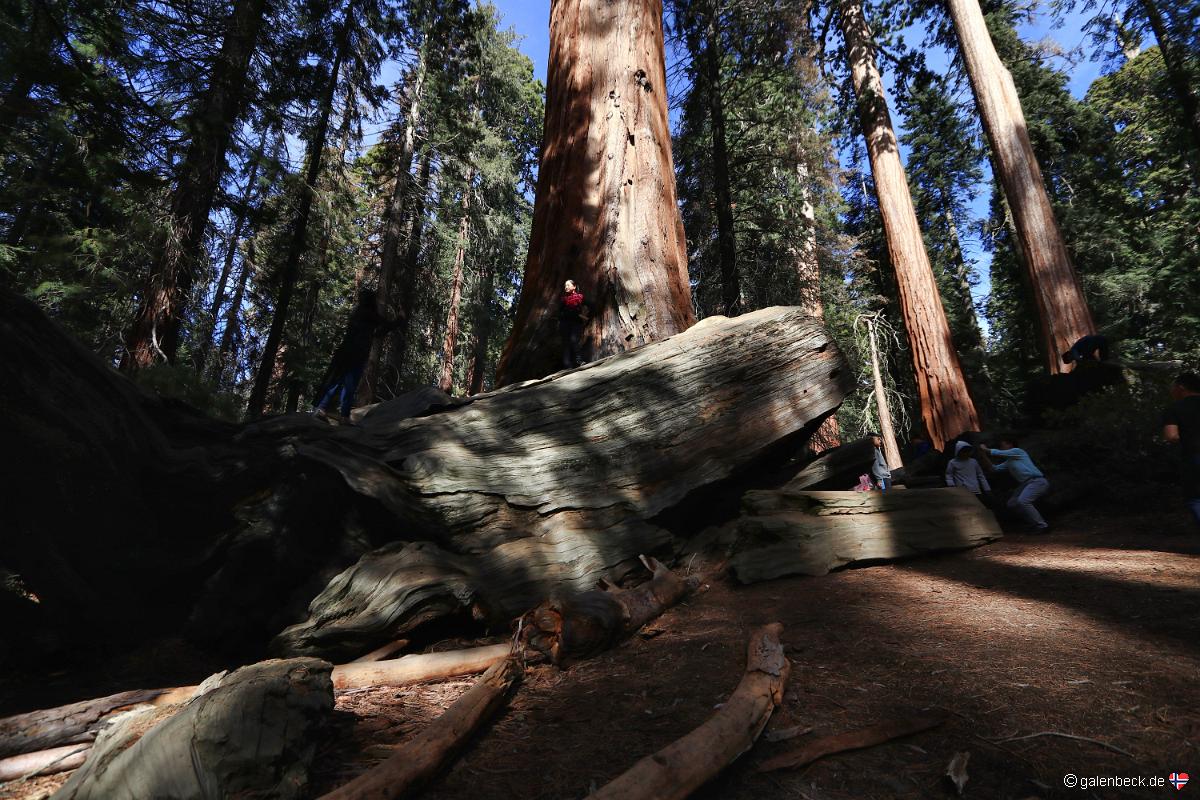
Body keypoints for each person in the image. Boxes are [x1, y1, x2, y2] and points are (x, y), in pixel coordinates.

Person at [313, 288, 401, 420]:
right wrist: (400, 318)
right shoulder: (368, 313)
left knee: (338, 381)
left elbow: (377, 333)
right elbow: (387, 325)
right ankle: (342, 415)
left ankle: (324, 408)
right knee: (349, 384)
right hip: (357, 354)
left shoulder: (359, 313)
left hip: (345, 352)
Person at [982, 436, 1049, 532]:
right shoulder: (1009, 462)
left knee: (1023, 501)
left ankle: (1042, 526)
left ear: (1010, 444)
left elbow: (998, 452)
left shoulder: (1018, 451)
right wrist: (983, 454)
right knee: (1012, 503)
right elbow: (994, 469)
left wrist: (984, 449)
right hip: (1026, 484)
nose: (1001, 448)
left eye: (1003, 445)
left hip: (1036, 481)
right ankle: (1033, 523)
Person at [1161, 372, 1200, 527]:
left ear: (1181, 387)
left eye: (1173, 387)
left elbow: (1172, 435)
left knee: (1195, 498)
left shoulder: (1175, 408)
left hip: (1194, 456)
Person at [558, 279, 591, 369]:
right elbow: (559, 312)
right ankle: (567, 365)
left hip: (576, 322)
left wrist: (588, 316)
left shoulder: (580, 297)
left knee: (574, 340)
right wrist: (565, 314)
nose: (566, 287)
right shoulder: (564, 299)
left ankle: (579, 361)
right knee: (566, 343)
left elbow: (590, 305)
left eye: (568, 285)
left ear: (574, 286)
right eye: (565, 286)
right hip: (565, 323)